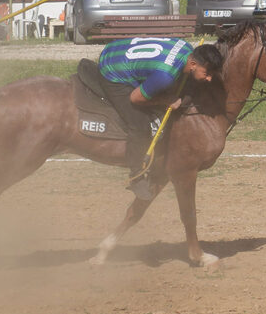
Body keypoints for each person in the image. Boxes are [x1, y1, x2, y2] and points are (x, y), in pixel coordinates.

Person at [95, 37, 224, 199]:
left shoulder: (185, 46)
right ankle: (136, 176)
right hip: (111, 69)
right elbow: (135, 98)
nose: (209, 78)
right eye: (207, 73)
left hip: (116, 47)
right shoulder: (165, 77)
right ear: (192, 65)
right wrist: (166, 101)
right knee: (140, 125)